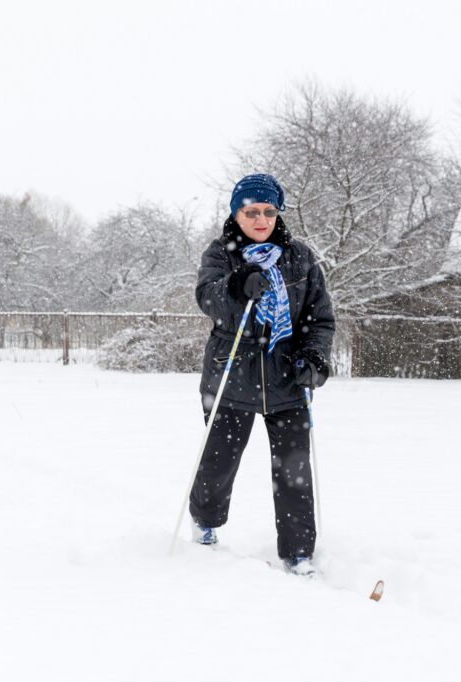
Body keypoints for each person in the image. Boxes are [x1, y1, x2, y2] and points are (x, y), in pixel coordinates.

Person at [191, 173, 334, 577]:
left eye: (269, 211)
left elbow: (319, 318)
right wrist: (237, 286)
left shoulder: (300, 258)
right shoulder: (221, 254)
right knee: (218, 464)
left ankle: (298, 552)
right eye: (251, 211)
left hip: (288, 377)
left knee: (293, 469)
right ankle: (205, 522)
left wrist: (315, 358)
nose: (260, 219)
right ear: (237, 213)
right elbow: (208, 298)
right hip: (232, 373)